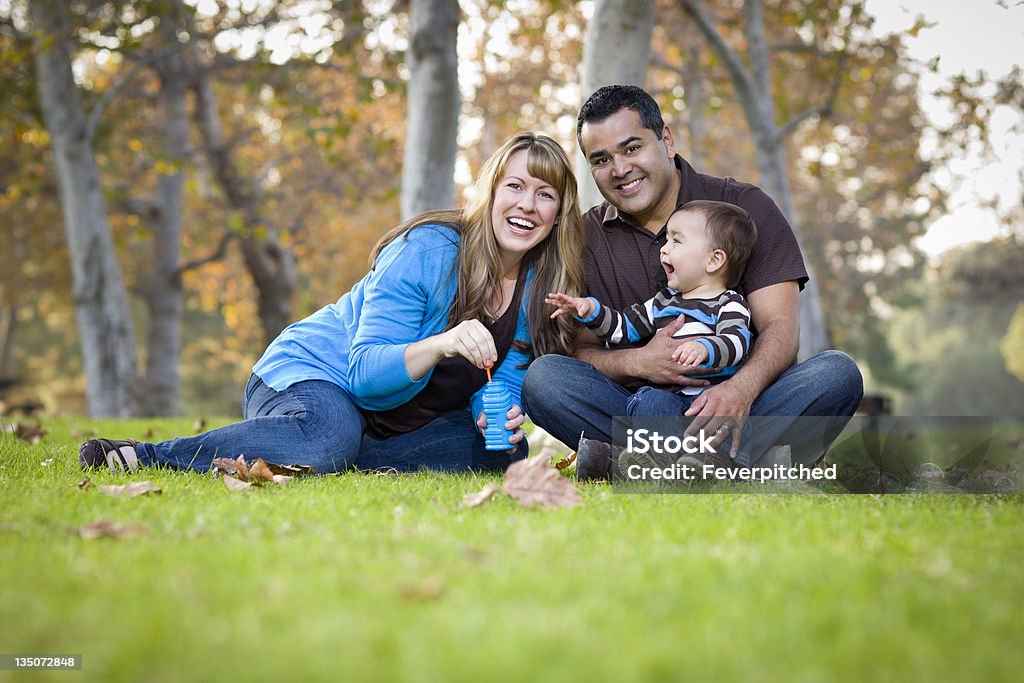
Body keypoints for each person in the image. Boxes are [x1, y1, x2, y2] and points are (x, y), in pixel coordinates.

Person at [79, 132, 585, 475]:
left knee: (504, 448)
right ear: (489, 193)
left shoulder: (540, 285)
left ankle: (339, 455)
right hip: (315, 376)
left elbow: (504, 373)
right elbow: (364, 372)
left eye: (545, 195)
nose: (526, 205)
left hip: (390, 420)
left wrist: (491, 410)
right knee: (327, 437)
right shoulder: (429, 250)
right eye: (514, 186)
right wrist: (443, 343)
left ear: (560, 212)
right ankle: (144, 456)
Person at [520, 85, 863, 478]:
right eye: (601, 159)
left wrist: (740, 390)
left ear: (666, 140)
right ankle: (743, 468)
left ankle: (636, 466)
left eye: (631, 148)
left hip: (742, 408)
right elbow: (583, 352)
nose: (619, 169)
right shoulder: (585, 238)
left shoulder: (744, 209)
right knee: (545, 379)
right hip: (643, 411)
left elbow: (780, 327)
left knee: (836, 374)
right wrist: (640, 362)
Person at [545, 199, 756, 410]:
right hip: (667, 400)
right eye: (666, 240)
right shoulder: (662, 301)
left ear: (714, 260)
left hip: (710, 400)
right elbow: (623, 327)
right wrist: (591, 310)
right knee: (649, 401)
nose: (663, 249)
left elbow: (737, 342)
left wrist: (704, 348)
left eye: (676, 241)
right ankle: (657, 441)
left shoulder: (729, 303)